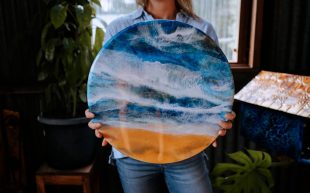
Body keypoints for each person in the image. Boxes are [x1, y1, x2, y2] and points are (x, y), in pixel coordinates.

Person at [86, 0, 236, 193]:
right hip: (132, 148)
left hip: (185, 148)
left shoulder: (201, 29)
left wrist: (217, 118)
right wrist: (102, 114)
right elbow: (108, 87)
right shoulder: (120, 29)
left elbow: (214, 90)